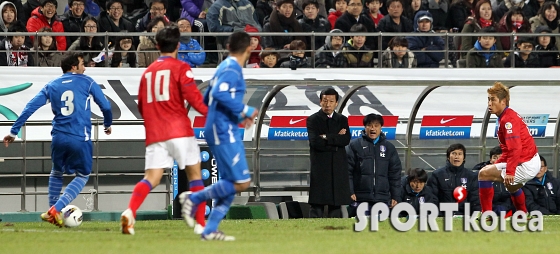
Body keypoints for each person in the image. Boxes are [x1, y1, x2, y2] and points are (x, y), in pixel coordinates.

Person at [2, 53, 112, 227]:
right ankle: (55, 209)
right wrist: (107, 124)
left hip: (58, 137)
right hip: (80, 138)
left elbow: (30, 106)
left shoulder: (52, 85)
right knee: (83, 175)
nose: (85, 68)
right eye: (83, 64)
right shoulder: (87, 81)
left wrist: (14, 131)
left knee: (57, 171)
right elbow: (105, 106)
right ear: (74, 67)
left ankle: (52, 212)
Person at [120, 24, 209, 236]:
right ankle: (201, 225)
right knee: (195, 175)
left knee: (151, 177)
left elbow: (141, 104)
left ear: (157, 46)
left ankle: (130, 211)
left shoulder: (147, 73)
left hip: (155, 133)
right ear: (178, 45)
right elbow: (195, 100)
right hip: (180, 130)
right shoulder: (181, 68)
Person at [179, 31, 258, 241]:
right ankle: (195, 198)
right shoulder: (232, 69)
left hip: (223, 126)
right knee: (242, 182)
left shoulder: (224, 66)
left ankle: (210, 230)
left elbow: (207, 98)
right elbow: (218, 95)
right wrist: (245, 110)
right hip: (223, 131)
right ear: (249, 48)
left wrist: (234, 116)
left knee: (230, 183)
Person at [478, 82, 541, 218]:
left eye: (493, 99)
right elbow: (507, 150)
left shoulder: (508, 120)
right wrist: (497, 164)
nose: (489, 103)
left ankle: (486, 214)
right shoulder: (506, 116)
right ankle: (523, 213)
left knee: (483, 174)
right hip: (528, 160)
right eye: (488, 99)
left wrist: (510, 171)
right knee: (511, 186)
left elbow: (515, 148)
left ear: (503, 101)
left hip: (526, 163)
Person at [306, 87, 351, 218]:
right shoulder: (313, 120)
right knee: (317, 204)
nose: (328, 104)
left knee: (336, 204)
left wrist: (326, 137)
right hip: (320, 167)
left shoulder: (342, 119)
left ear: (336, 103)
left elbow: (346, 140)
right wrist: (336, 138)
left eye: (331, 101)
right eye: (325, 101)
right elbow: (315, 142)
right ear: (320, 102)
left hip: (338, 166)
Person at [346, 113, 402, 217]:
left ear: (381, 127)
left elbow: (395, 175)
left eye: (376, 125)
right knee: (358, 228)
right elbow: (347, 171)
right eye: (369, 125)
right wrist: (350, 191)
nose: (373, 128)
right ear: (365, 127)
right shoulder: (355, 145)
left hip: (383, 198)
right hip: (359, 198)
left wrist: (395, 196)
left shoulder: (389, 148)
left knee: (381, 229)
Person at [427, 143, 480, 215]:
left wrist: (475, 215)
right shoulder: (437, 175)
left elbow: (475, 200)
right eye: (454, 153)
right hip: (443, 215)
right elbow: (432, 198)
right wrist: (438, 215)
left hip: (464, 215)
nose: (457, 156)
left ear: (464, 158)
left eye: (460, 154)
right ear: (448, 157)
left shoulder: (471, 176)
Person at [473, 146, 513, 216]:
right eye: (495, 158)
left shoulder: (511, 174)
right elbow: (477, 196)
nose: (498, 161)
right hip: (487, 209)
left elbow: (513, 196)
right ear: (490, 160)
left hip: (507, 210)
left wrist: (504, 208)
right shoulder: (481, 174)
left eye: (501, 158)